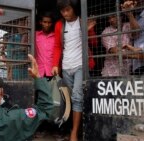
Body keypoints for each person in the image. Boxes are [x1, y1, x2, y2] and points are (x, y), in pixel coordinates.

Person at [52, 0, 97, 140]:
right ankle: (71, 128)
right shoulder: (59, 25)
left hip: (80, 66)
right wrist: (55, 64)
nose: (65, 13)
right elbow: (58, 47)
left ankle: (74, 133)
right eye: (62, 11)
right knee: (68, 100)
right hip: (66, 67)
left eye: (67, 10)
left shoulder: (83, 22)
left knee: (77, 98)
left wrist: (88, 31)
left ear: (74, 9)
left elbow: (95, 43)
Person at [121, 0, 144, 75]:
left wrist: (139, 49)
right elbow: (135, 35)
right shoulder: (136, 17)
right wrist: (129, 13)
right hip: (138, 64)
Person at [101, 11, 140, 76]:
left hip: (127, 71)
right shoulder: (106, 32)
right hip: (111, 72)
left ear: (120, 16)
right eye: (109, 18)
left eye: (113, 17)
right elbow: (114, 51)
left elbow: (137, 33)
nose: (111, 20)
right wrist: (137, 54)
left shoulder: (127, 26)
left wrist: (130, 14)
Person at [35, 11, 55, 79]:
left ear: (52, 23)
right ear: (41, 22)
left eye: (49, 22)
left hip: (52, 71)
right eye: (45, 22)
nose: (47, 25)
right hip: (39, 71)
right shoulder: (35, 35)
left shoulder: (56, 37)